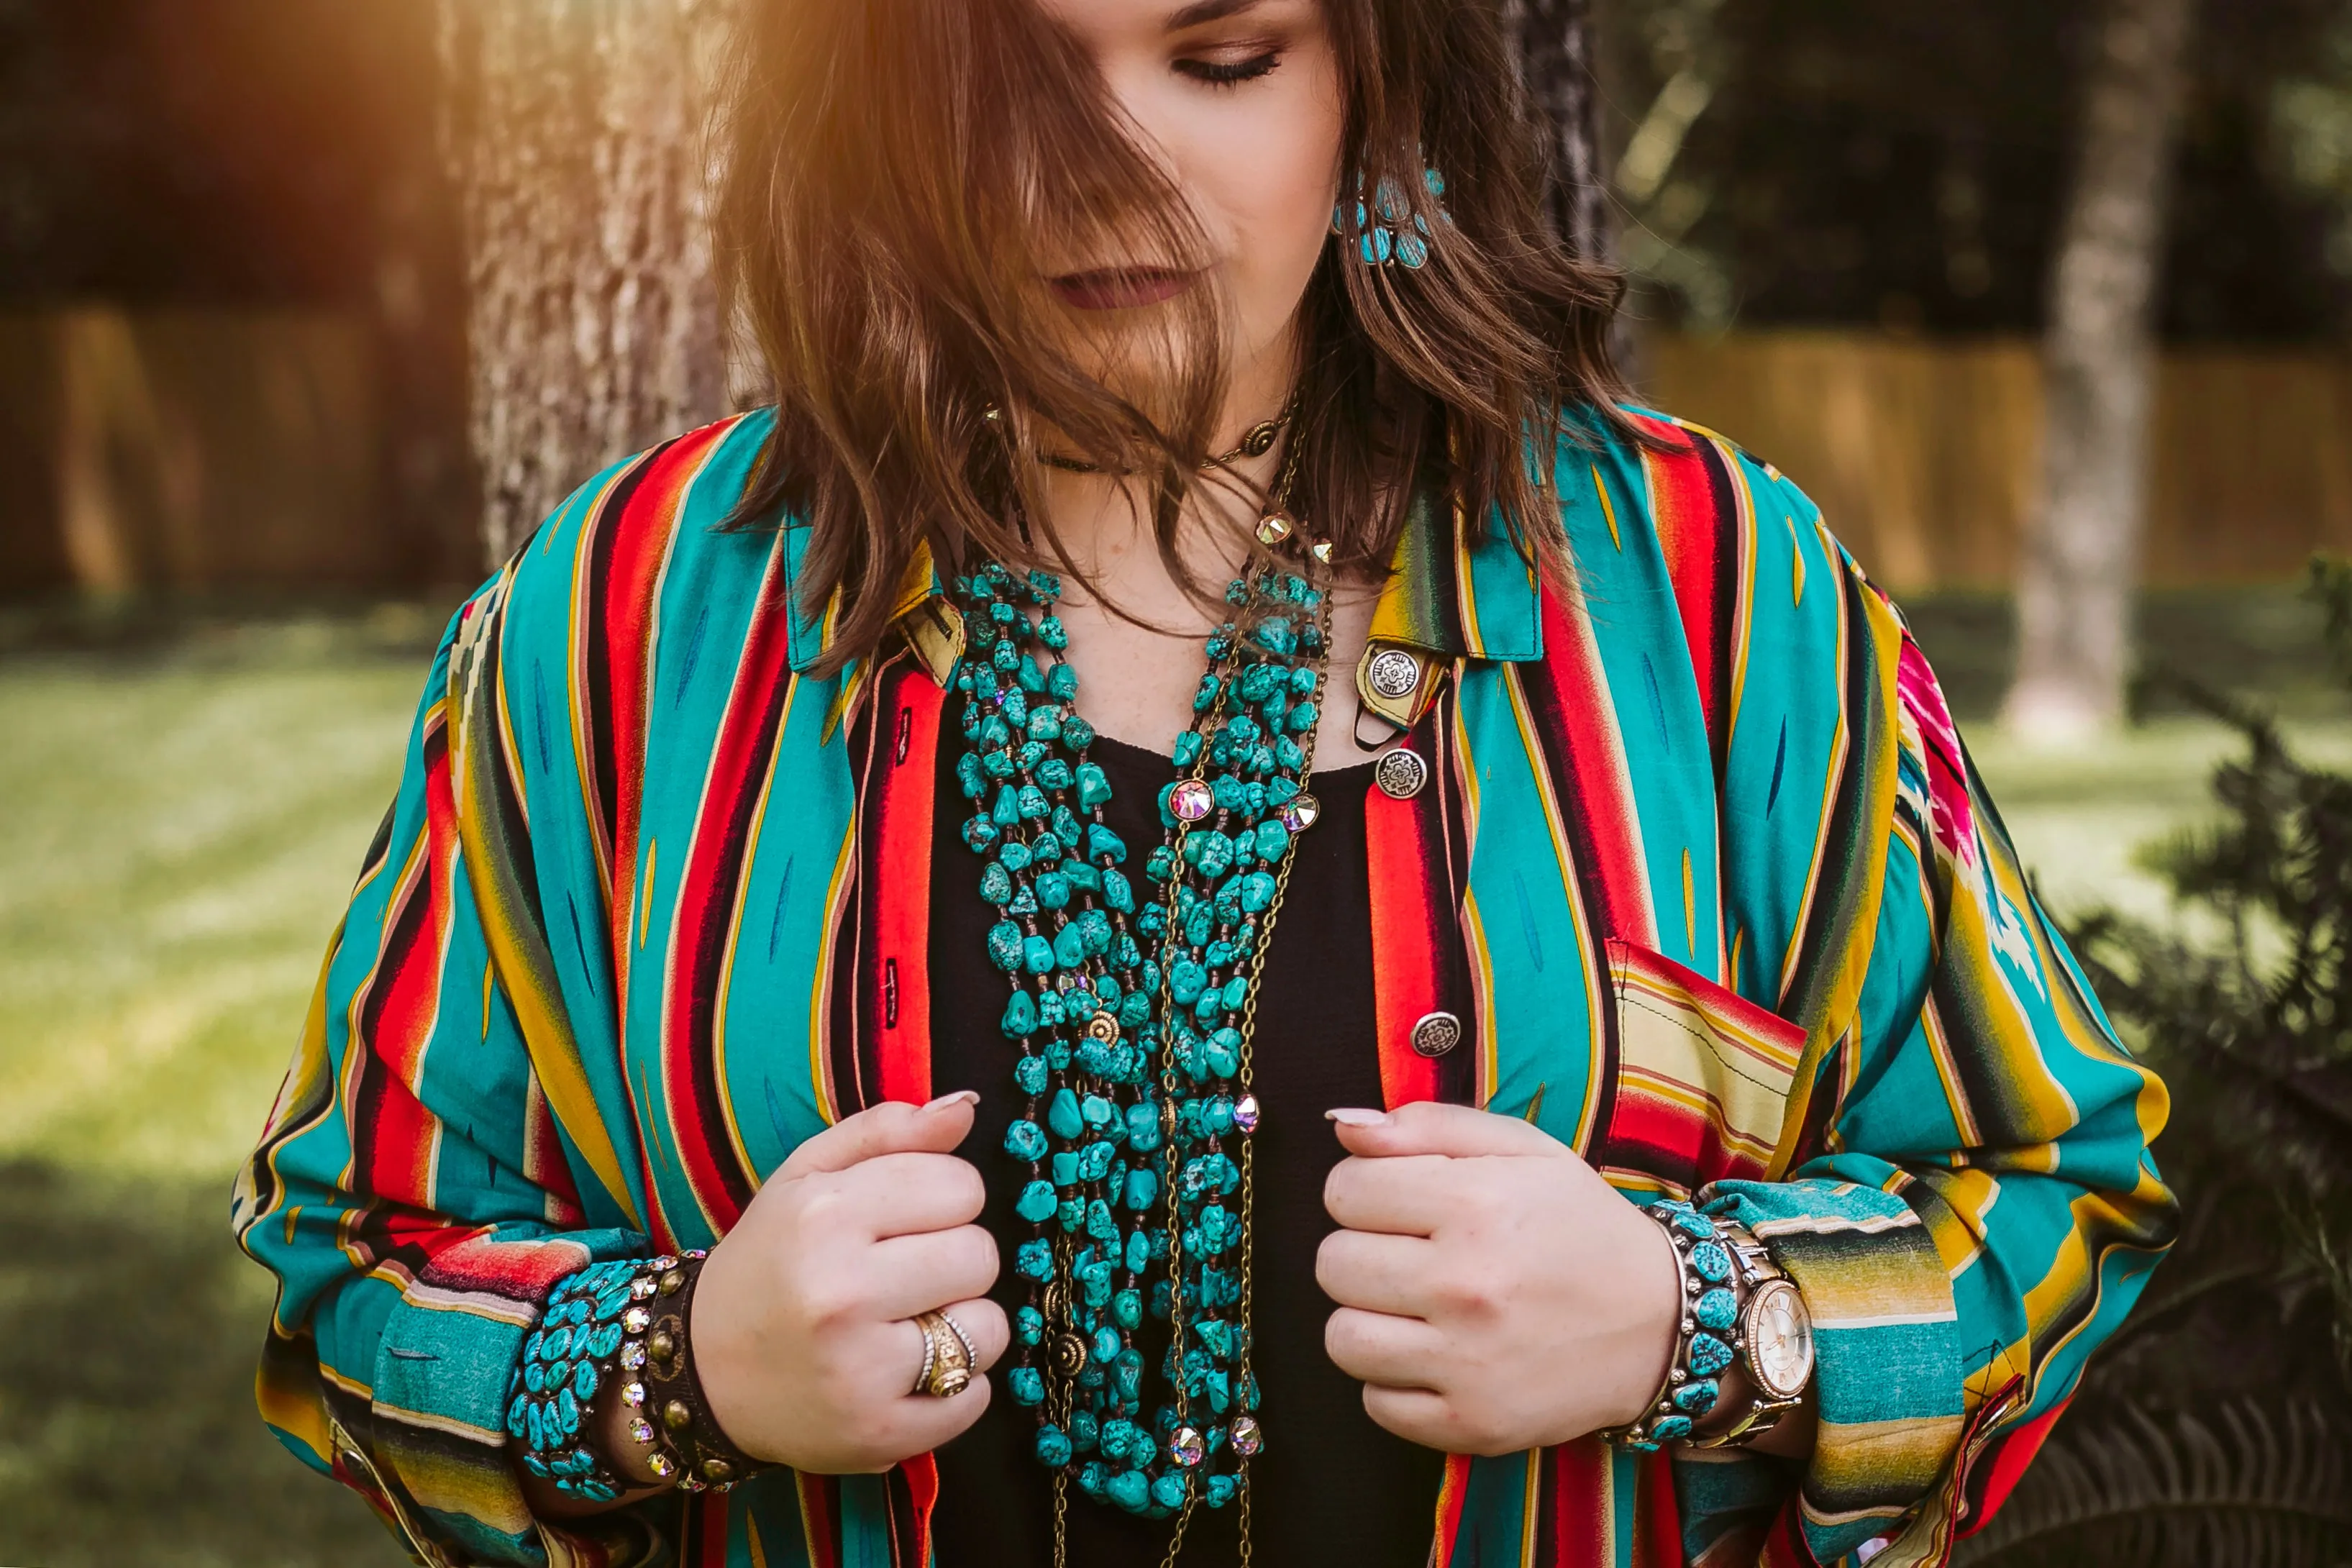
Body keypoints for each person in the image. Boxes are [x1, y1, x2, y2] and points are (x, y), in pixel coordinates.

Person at [232, 0, 2177, 1564]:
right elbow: (357, 1258)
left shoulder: (1714, 596)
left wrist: (1697, 1318)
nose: (1109, 175)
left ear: (1370, 77)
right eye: (1006, 74)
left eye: (1219, 58)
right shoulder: (626, 619)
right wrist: (668, 1367)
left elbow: (2051, 1185)